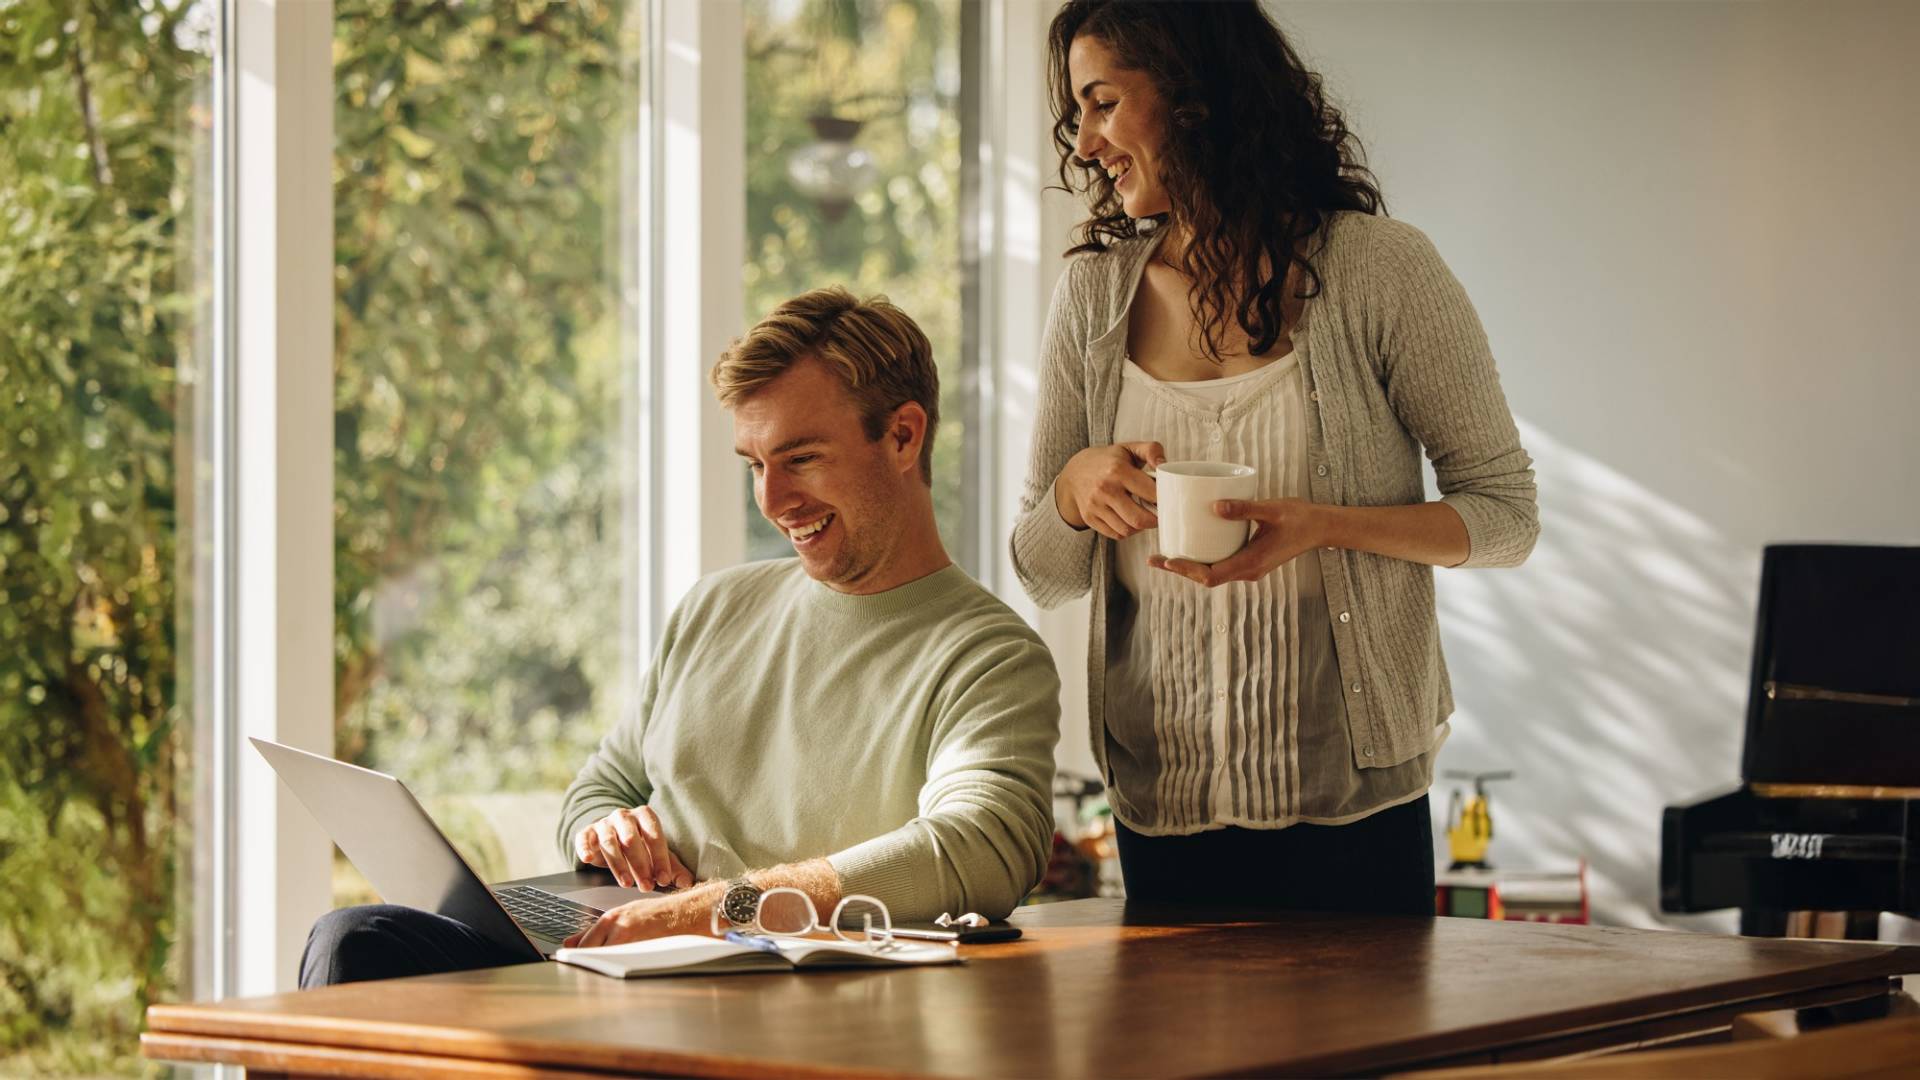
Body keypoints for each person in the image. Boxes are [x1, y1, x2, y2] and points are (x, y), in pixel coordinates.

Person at [302, 287, 1059, 986]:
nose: (774, 500)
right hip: (629, 959)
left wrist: (713, 909)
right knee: (357, 939)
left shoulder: (986, 655)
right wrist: (609, 829)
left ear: (902, 436)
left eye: (800, 459)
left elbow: (982, 848)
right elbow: (598, 790)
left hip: (767, 987)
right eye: (755, 465)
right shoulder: (716, 608)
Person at [1011, 0, 1538, 916]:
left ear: (1190, 96)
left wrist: (1327, 528)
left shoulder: (1381, 270)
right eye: (1079, 113)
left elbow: (1505, 518)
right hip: (1161, 808)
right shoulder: (1092, 297)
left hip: (1352, 802)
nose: (1087, 142)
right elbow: (1045, 573)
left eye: (1102, 103)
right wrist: (1069, 491)